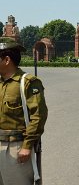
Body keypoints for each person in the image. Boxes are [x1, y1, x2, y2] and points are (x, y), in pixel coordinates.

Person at [0, 38, 48, 185]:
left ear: (7, 60)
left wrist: (27, 146)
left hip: (16, 147)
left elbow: (38, 117)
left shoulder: (27, 82)